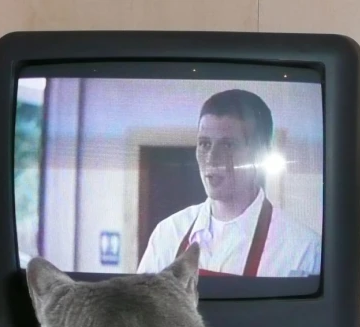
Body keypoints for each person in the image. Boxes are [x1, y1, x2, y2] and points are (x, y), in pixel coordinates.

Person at [137, 89, 321, 277]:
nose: (212, 159)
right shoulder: (167, 234)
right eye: (205, 144)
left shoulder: (303, 250)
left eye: (228, 145)